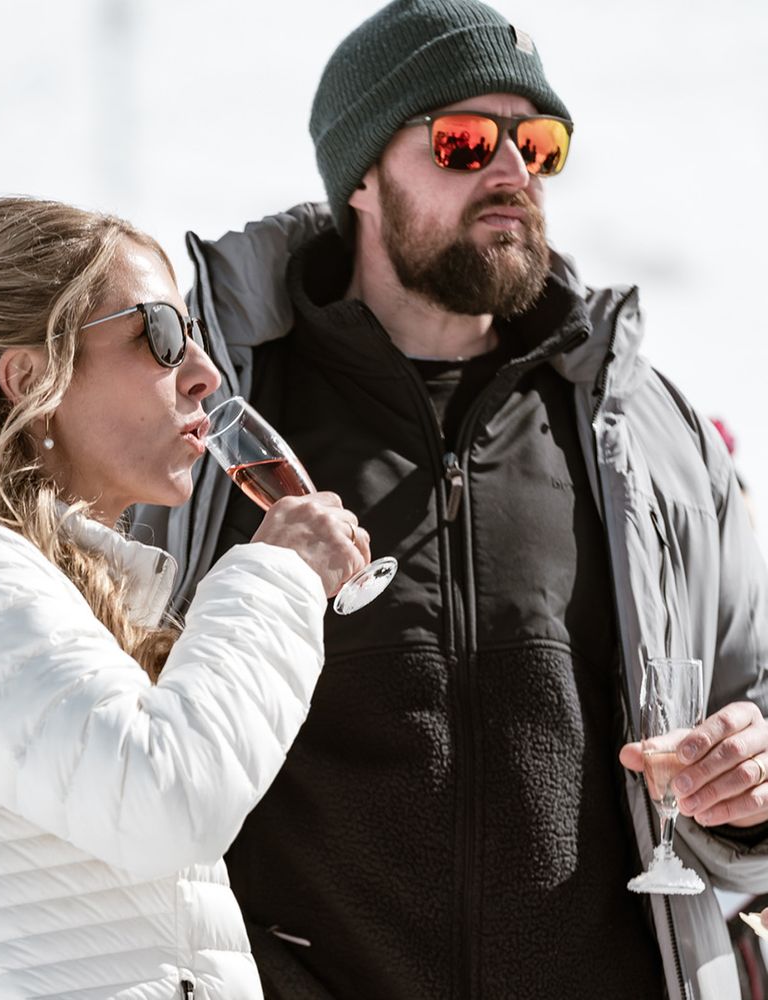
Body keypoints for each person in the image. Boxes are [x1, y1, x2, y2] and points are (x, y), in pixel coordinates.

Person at [131, 2, 768, 998]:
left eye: (538, 143)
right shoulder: (214, 419)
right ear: (361, 181)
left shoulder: (645, 432)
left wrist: (750, 785)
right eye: (465, 141)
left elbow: (749, 686)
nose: (512, 172)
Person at [0, 196, 370, 999]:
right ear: (29, 378)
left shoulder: (40, 589)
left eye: (195, 335)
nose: (205, 373)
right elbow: (165, 799)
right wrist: (277, 577)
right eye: (160, 336)